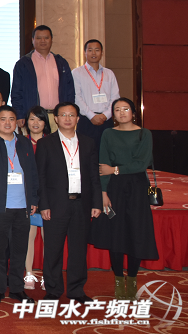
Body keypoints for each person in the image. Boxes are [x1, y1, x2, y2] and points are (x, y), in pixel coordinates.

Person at [91, 97, 158, 301]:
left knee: (136, 232)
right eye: (117, 109)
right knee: (116, 233)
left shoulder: (144, 133)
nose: (121, 112)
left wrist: (116, 169)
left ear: (133, 112)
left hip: (137, 187)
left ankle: (133, 279)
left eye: (125, 109)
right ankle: (119, 280)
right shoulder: (108, 134)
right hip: (114, 188)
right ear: (113, 114)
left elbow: (141, 163)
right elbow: (103, 164)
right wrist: (103, 193)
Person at [35, 102, 102, 303]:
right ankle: (53, 289)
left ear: (78, 119)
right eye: (63, 115)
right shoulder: (46, 143)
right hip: (55, 205)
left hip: (82, 204)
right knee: (53, 249)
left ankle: (76, 290)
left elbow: (94, 176)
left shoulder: (88, 143)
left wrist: (96, 203)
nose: (67, 118)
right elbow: (40, 177)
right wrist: (44, 205)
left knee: (78, 250)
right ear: (55, 119)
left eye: (71, 115)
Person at [0, 105, 39, 304]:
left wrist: (34, 200)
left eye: (11, 119)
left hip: (22, 208)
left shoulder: (25, 143)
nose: (7, 123)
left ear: (16, 122)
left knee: (19, 251)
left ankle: (17, 289)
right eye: (3, 119)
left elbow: (33, 174)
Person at [11, 25, 75, 128]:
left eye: (46, 38)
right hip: (34, 117)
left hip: (58, 117)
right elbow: (17, 92)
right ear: (33, 40)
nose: (43, 41)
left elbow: (70, 91)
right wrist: (19, 115)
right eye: (39, 38)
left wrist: (69, 113)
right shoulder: (23, 64)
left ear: (51, 40)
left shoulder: (61, 62)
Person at [22, 106, 51, 290]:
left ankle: (48, 275)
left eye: (40, 119)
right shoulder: (21, 142)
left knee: (49, 238)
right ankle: (29, 273)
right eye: (32, 119)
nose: (35, 123)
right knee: (29, 236)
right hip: (27, 195)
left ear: (45, 123)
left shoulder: (52, 142)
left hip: (48, 195)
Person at [72, 39, 119, 147]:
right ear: (85, 53)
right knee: (86, 152)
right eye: (90, 50)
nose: (93, 53)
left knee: (106, 152)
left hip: (106, 120)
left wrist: (105, 115)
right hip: (86, 120)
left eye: (97, 50)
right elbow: (77, 97)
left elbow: (115, 98)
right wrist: (91, 115)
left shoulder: (109, 73)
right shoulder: (77, 73)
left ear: (102, 53)